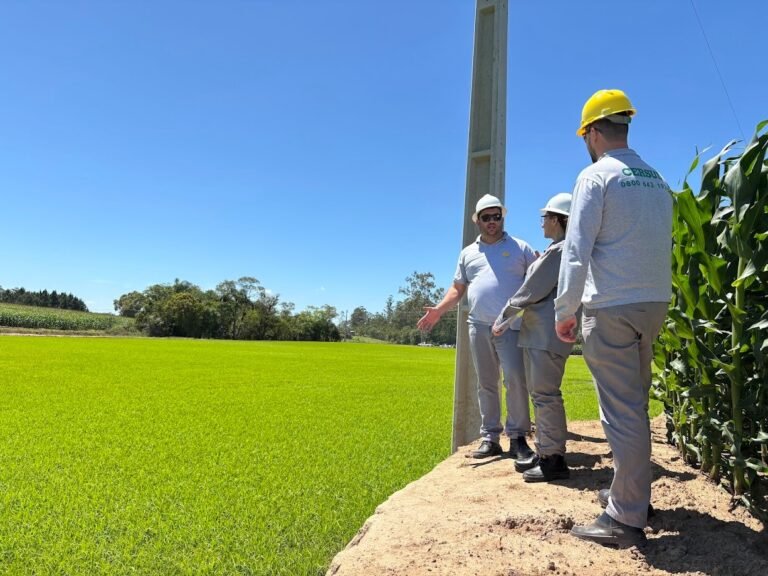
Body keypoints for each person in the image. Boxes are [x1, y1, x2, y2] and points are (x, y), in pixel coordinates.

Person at [555, 89, 672, 547]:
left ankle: (625, 519)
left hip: (611, 306)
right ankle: (632, 497)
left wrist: (565, 311)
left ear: (592, 132)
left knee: (621, 414)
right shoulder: (656, 179)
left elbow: (577, 250)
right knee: (635, 407)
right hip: (653, 303)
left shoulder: (596, 176)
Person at [418, 194, 537, 460]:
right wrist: (439, 310)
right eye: (487, 217)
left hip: (511, 326)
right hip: (479, 325)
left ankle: (517, 437)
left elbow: (538, 277)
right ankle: (490, 438)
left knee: (516, 381)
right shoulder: (468, 254)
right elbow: (458, 288)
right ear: (477, 221)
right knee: (486, 383)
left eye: (497, 216)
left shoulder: (521, 247)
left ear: (502, 218)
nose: (493, 221)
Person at [492, 193, 575, 482]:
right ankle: (547, 454)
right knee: (543, 395)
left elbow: (531, 290)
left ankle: (553, 461)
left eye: (545, 218)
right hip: (542, 335)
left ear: (557, 220)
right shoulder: (562, 250)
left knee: (545, 395)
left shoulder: (559, 252)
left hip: (543, 336)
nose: (542, 223)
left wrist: (504, 317)